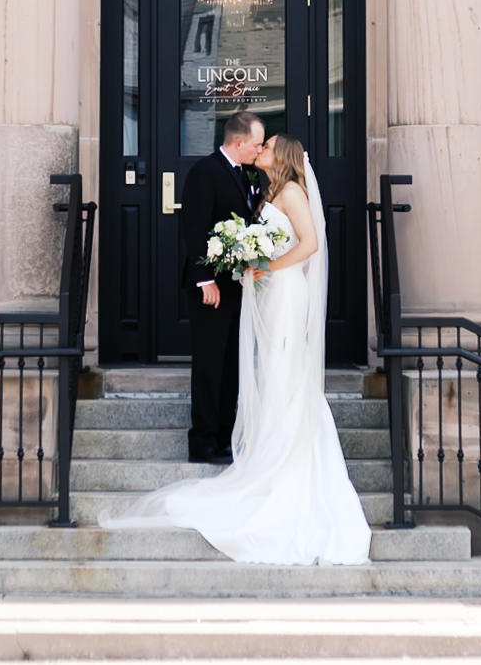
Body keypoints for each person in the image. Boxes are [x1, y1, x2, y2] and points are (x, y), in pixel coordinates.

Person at [120, 133, 372, 566]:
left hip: (287, 293)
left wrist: (265, 267)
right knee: (272, 372)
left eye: (268, 146)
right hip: (273, 292)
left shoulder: (292, 192)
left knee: (283, 372)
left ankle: (287, 466)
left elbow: (310, 245)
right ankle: (269, 456)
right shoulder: (270, 190)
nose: (261, 151)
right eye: (260, 144)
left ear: (283, 157)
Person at [179, 110, 267, 465]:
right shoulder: (205, 172)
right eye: (257, 144)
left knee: (232, 363)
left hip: (235, 285)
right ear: (239, 142)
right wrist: (204, 279)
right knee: (209, 363)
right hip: (210, 287)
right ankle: (202, 440)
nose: (259, 151)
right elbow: (195, 227)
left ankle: (225, 435)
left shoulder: (247, 174)